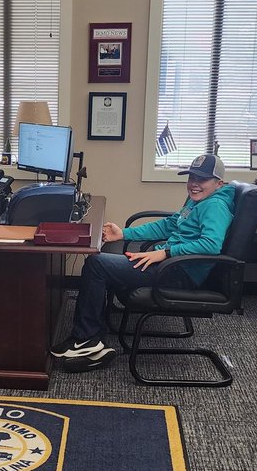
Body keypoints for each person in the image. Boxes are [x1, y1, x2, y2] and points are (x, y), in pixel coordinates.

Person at [51, 153, 235, 372]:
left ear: (219, 183)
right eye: (191, 177)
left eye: (202, 179)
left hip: (179, 273)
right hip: (171, 264)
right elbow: (169, 225)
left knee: (96, 264)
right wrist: (124, 234)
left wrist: (166, 253)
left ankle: (86, 340)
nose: (194, 184)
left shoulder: (215, 206)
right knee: (100, 262)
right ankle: (92, 337)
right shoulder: (198, 200)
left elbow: (211, 245)